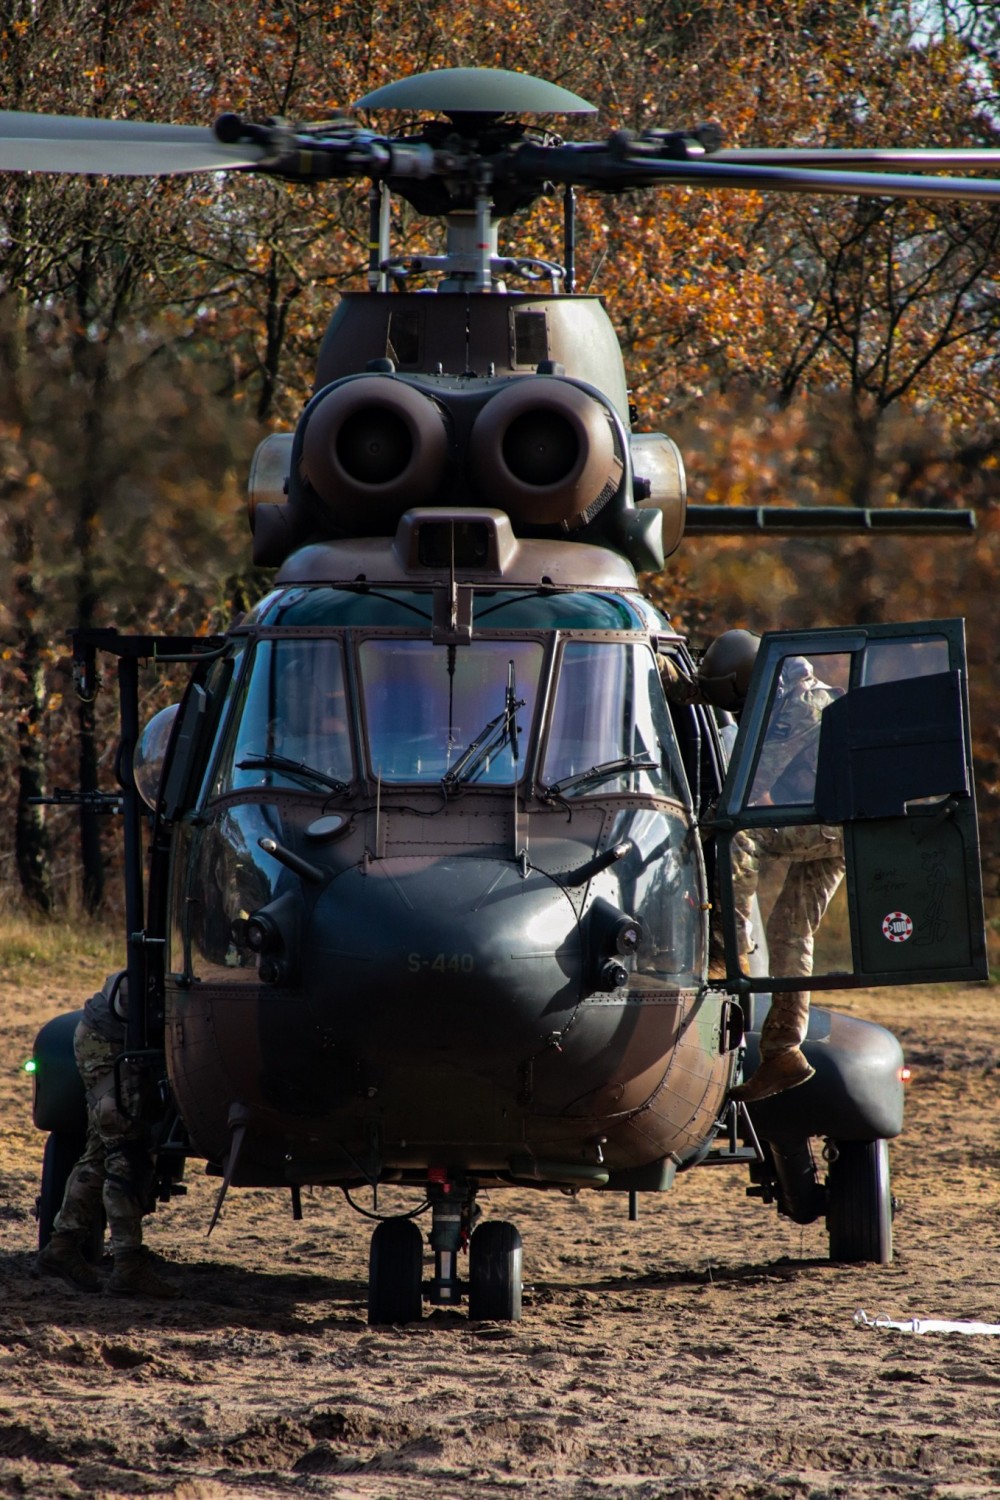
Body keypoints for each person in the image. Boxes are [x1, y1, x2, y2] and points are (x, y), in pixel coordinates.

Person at [661, 631, 845, 1104]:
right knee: (790, 929)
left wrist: (699, 828)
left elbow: (745, 792)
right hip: (824, 817)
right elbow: (713, 693)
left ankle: (733, 946)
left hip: (834, 824)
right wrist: (653, 661)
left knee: (737, 835)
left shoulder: (802, 706)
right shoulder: (771, 684)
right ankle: (784, 1054)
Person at [35, 971, 179, 1297]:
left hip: (112, 1042)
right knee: (124, 1155)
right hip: (106, 1046)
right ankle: (129, 1268)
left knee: (100, 1153)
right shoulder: (160, 967)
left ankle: (61, 1248)